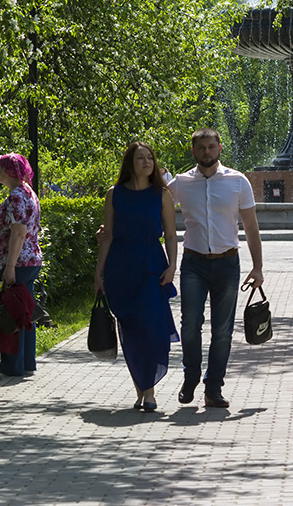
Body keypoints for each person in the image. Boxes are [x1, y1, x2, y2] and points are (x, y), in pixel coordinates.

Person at [168, 128, 264, 409]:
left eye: (211, 147)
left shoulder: (237, 181)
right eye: (201, 148)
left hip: (227, 263)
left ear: (220, 148)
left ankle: (214, 387)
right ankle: (191, 376)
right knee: (190, 325)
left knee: (222, 330)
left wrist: (257, 267)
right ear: (193, 151)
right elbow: (154, 207)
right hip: (194, 263)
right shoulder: (181, 183)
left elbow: (251, 226)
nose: (207, 152)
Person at [94, 142, 179, 411]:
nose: (146, 162)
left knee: (152, 329)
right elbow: (107, 237)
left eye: (150, 158)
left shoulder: (161, 194)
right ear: (130, 162)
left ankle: (150, 390)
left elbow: (171, 234)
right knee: (130, 330)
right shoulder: (114, 194)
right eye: (140, 158)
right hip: (121, 266)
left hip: (152, 264)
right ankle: (142, 390)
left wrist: (172, 266)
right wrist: (99, 274)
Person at [0, 152, 43, 378]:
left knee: (10, 314)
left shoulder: (18, 195)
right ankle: (26, 363)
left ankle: (11, 366)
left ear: (9, 172)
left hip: (16, 263)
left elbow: (18, 232)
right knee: (23, 313)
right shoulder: (28, 192)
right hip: (27, 261)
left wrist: (9, 268)